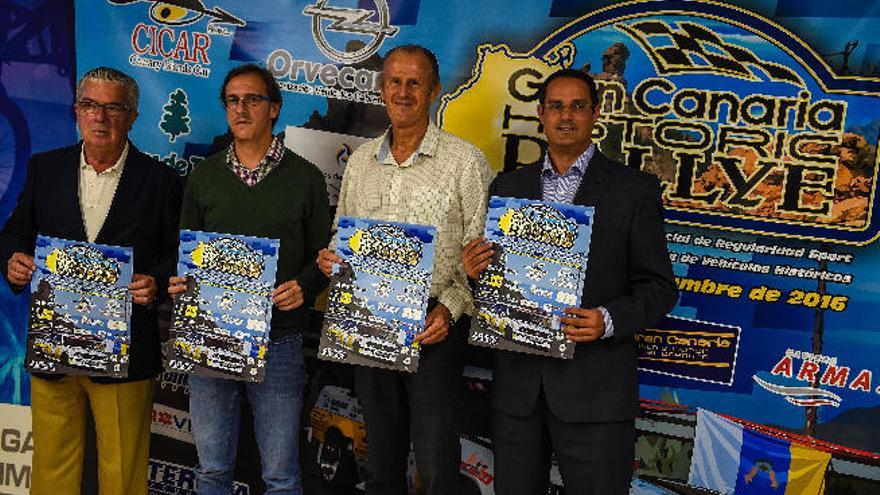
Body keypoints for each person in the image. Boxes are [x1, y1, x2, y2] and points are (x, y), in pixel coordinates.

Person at [462, 68, 678, 494]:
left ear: (596, 114)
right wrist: (474, 275)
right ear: (540, 114)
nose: (566, 116)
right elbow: (495, 292)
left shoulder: (634, 190)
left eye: (577, 106)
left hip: (595, 391)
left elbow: (660, 287)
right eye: (556, 106)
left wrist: (607, 319)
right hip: (519, 393)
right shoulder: (509, 186)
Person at [316, 45, 493, 495]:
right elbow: (342, 236)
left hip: (434, 324)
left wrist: (449, 311)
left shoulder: (465, 162)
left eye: (415, 82)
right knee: (381, 460)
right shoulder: (360, 162)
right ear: (381, 88)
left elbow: (482, 258)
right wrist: (330, 258)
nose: (403, 91)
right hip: (369, 319)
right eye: (394, 81)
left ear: (434, 90)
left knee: (435, 465)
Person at [0, 66, 182, 495]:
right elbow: (16, 231)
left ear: (132, 115)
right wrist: (13, 260)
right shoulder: (45, 168)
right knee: (52, 468)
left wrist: (155, 281)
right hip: (54, 345)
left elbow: (177, 252)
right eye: (90, 105)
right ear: (76, 111)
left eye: (113, 107)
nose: (100, 117)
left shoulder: (162, 181)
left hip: (125, 352)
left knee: (122, 473)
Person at [168, 63, 330, 495]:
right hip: (211, 339)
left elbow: (325, 258)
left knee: (280, 475)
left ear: (274, 108)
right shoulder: (204, 177)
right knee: (212, 469)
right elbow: (187, 255)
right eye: (233, 101)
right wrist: (180, 283)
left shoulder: (307, 179)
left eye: (252, 99)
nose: (241, 108)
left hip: (280, 340)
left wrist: (307, 284)